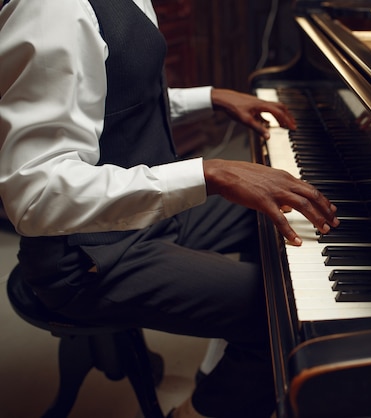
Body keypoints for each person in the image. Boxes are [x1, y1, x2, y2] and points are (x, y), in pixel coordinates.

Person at [0, 0, 339, 417]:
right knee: (287, 319)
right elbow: (33, 194)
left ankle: (234, 363)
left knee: (278, 213)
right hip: (82, 255)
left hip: (134, 222)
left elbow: (117, 92)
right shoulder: (54, 9)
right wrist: (210, 173)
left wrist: (209, 97)